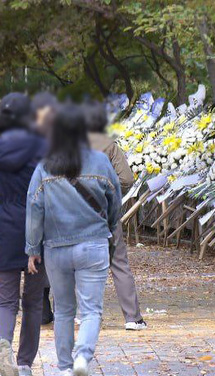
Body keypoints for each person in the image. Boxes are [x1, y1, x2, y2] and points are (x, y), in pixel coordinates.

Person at [26, 104, 122, 376]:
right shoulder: (100, 161)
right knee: (91, 310)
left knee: (64, 309)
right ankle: (83, 357)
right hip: (93, 243)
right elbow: (114, 198)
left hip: (56, 247)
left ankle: (66, 370)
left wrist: (32, 248)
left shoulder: (44, 165)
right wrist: (110, 226)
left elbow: (34, 207)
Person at [0, 93, 47, 376]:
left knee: (6, 301)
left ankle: (3, 340)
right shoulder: (42, 147)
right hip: (36, 227)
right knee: (33, 302)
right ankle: (25, 365)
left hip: (3, 225)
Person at [83, 101, 148, 331]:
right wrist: (108, 187)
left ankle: (84, 314)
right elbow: (128, 179)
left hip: (76, 213)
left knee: (81, 264)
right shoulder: (108, 146)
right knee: (118, 262)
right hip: (105, 211)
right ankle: (132, 317)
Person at [31, 91, 58, 325]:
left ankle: (44, 307)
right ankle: (45, 306)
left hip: (44, 207)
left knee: (42, 257)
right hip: (52, 208)